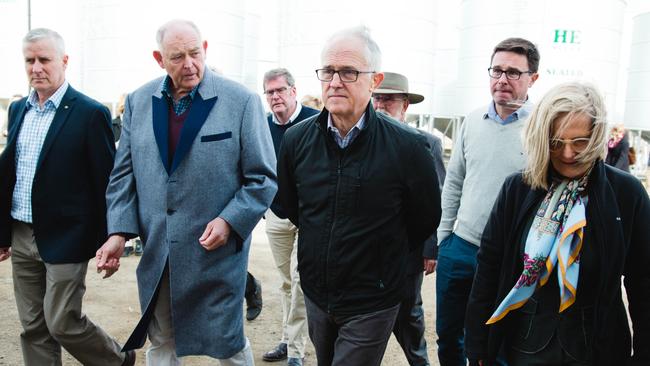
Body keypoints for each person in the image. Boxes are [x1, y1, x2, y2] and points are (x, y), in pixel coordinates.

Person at [95, 19, 277, 365]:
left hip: (216, 255)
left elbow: (263, 178)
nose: (189, 64)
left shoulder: (241, 101)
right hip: (158, 251)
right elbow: (123, 176)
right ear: (158, 58)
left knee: (229, 344)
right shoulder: (138, 102)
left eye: (195, 53)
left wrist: (229, 221)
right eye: (177, 57)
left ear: (205, 49)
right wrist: (119, 232)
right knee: (162, 340)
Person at [277, 26, 441, 366]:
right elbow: (293, 207)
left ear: (374, 80)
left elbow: (424, 218)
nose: (335, 81)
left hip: (373, 298)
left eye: (349, 72)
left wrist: (379, 261)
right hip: (317, 293)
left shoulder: (409, 148)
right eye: (328, 71)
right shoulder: (296, 141)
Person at [465, 81, 650, 366]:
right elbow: (489, 265)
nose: (567, 154)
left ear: (597, 137)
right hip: (526, 344)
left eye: (580, 142)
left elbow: (642, 281)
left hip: (599, 347)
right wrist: (478, 343)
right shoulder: (518, 188)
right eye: (556, 142)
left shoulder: (627, 193)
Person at [0, 28, 133, 366]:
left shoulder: (90, 113)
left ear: (64, 61)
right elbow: (10, 175)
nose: (36, 68)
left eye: (44, 59)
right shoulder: (18, 110)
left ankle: (117, 360)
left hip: (67, 236)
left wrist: (112, 238)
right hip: (21, 232)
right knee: (33, 327)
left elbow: (106, 181)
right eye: (29, 60)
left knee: (62, 322)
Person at [436, 37, 540, 366]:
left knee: (495, 343)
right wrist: (443, 238)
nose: (502, 79)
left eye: (513, 72)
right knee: (448, 334)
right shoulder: (473, 120)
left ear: (532, 78)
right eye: (497, 70)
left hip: (510, 256)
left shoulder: (542, 127)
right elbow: (454, 180)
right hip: (461, 247)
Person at [372, 71, 446, 366]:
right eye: (376, 98)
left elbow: (434, 201)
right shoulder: (363, 139)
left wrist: (430, 248)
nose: (380, 105)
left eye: (388, 99)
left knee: (409, 313)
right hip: (368, 247)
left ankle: (420, 362)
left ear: (405, 105)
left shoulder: (426, 143)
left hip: (408, 249)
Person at [261, 68, 319, 366]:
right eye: (270, 92)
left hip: (308, 217)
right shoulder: (261, 125)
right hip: (276, 214)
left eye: (280, 90)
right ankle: (286, 338)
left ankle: (295, 351)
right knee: (285, 283)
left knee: (299, 281)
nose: (275, 97)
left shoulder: (315, 120)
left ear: (293, 91)